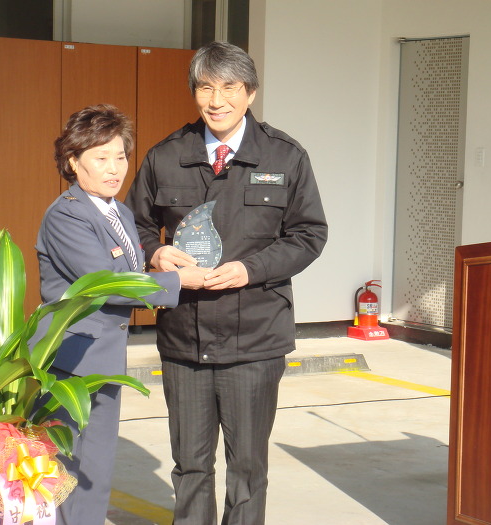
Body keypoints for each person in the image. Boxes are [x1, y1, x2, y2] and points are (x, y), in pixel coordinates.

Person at [125, 41, 328, 525]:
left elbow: (309, 234)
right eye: (205, 88)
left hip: (255, 339)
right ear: (194, 92)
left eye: (229, 88)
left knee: (247, 469)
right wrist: (154, 252)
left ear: (250, 92)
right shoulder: (166, 156)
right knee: (190, 466)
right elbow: (132, 225)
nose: (216, 101)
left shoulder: (285, 156)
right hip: (185, 337)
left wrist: (251, 269)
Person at [33, 104, 208, 525]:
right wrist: (179, 282)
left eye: (121, 156)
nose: (115, 168)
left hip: (103, 356)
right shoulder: (68, 214)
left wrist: (158, 256)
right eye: (101, 158)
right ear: (73, 162)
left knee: (95, 465)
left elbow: (128, 265)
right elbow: (106, 282)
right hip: (71, 361)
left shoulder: (117, 210)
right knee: (68, 465)